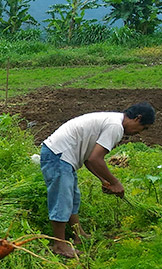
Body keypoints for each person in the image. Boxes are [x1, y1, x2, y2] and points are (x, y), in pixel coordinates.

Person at [40, 102, 155, 258]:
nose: (141, 132)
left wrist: (104, 180)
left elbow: (89, 159)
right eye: (144, 127)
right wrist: (115, 182)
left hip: (62, 157)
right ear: (137, 118)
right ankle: (59, 245)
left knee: (73, 198)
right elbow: (96, 159)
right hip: (58, 156)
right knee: (62, 200)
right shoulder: (116, 126)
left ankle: (78, 235)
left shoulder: (113, 121)